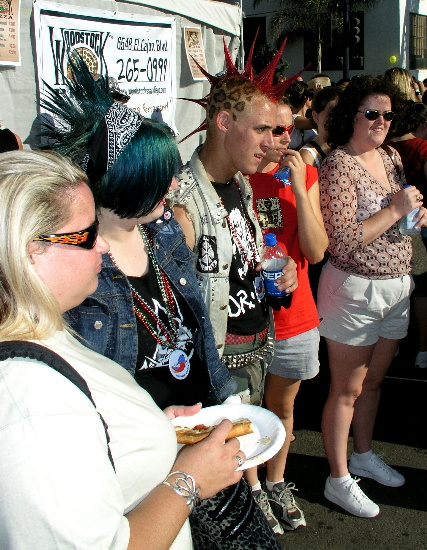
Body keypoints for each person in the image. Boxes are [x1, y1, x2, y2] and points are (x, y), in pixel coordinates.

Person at [40, 61, 281, 550]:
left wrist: (228, 402)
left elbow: (194, 331)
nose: (175, 187)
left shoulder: (166, 232)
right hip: (149, 463)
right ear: (129, 182)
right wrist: (155, 433)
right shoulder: (77, 278)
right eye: (163, 178)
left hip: (206, 432)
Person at [0, 149, 246, 549]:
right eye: (85, 235)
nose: (101, 247)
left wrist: (147, 429)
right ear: (30, 252)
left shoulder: (45, 329)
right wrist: (189, 481)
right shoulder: (30, 402)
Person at [317, 75, 427, 518]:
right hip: (353, 290)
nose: (381, 121)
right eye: (372, 113)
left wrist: (414, 213)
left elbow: (396, 215)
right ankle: (338, 478)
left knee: (374, 383)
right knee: (345, 390)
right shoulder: (338, 166)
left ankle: (362, 454)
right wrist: (395, 210)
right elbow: (342, 242)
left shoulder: (388, 155)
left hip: (396, 286)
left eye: (387, 114)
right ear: (351, 115)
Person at [169, 39, 299, 408]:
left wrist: (282, 265)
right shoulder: (184, 205)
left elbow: (243, 259)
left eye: (274, 131)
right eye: (261, 129)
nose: (271, 143)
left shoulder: (241, 184)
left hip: (258, 351)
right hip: (218, 371)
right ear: (223, 121)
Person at [248, 99, 328, 533]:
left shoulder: (305, 174)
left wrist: (299, 187)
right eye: (267, 129)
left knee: (281, 408)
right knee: (244, 410)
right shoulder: (240, 174)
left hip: (295, 318)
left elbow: (316, 252)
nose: (276, 140)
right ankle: (253, 490)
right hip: (245, 319)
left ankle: (276, 481)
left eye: (284, 131)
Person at [389, 101, 427, 367]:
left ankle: (391, 347)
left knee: (395, 288)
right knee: (423, 288)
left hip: (388, 227)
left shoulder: (383, 148)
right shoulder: (422, 147)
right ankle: (423, 349)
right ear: (423, 125)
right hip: (421, 227)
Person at [300, 86, 342, 170]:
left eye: (341, 113)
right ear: (315, 116)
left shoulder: (350, 146)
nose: (337, 118)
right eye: (331, 114)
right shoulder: (308, 155)